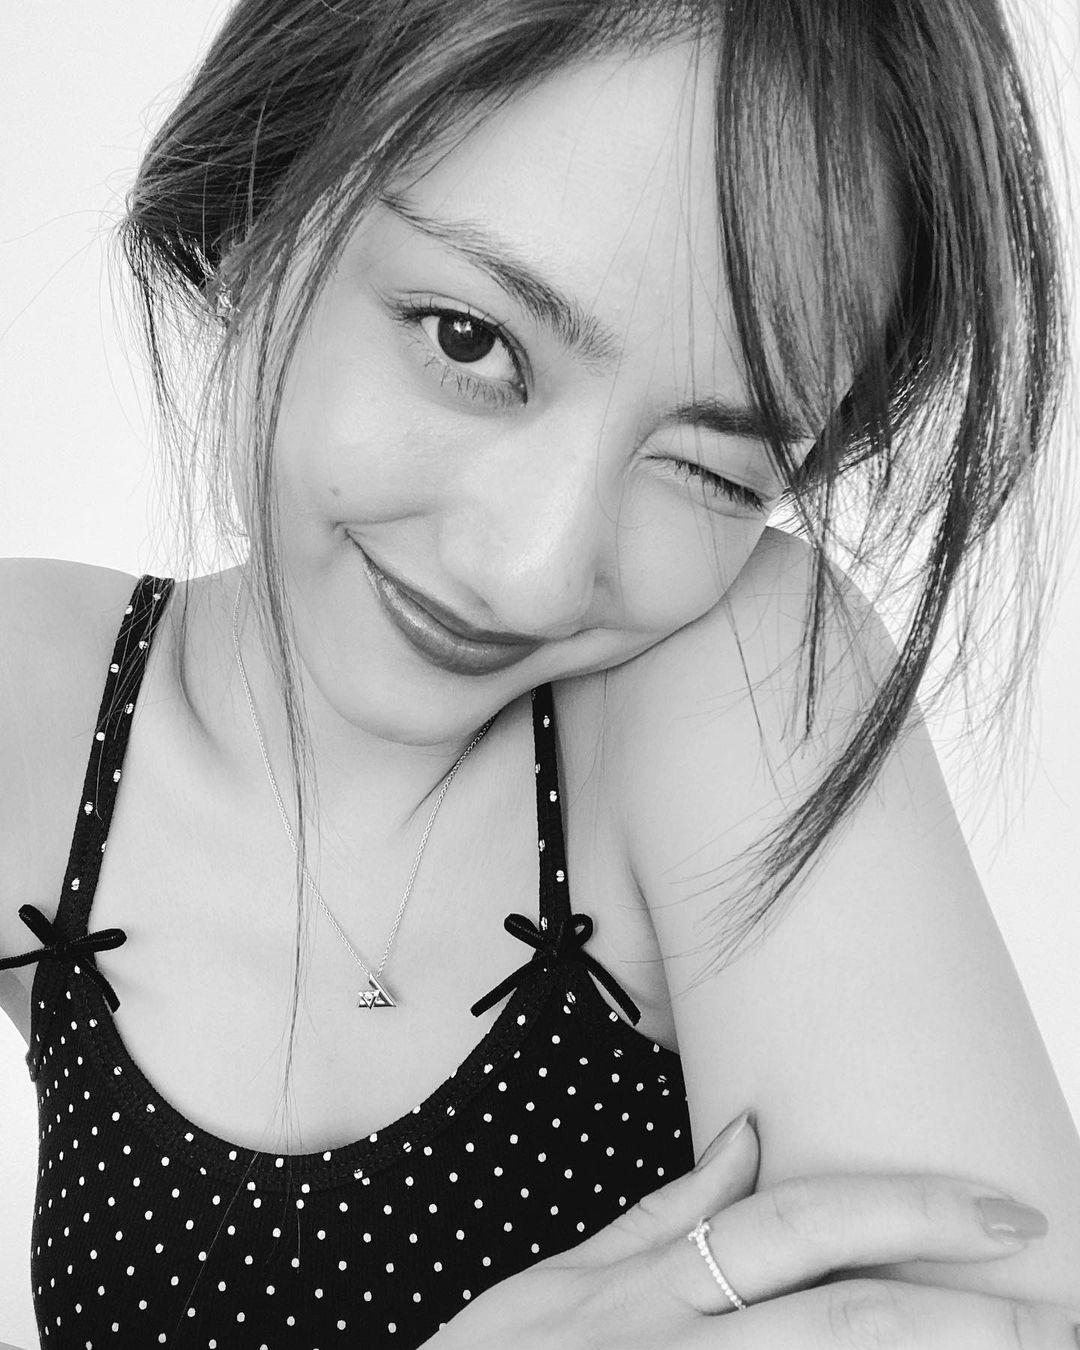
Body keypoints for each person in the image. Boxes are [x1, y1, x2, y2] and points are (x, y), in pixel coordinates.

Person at [1, 0, 1079, 1347]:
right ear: (265, 202)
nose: (536, 570)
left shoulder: (737, 678)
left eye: (712, 468)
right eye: (469, 341)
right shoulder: (32, 707)